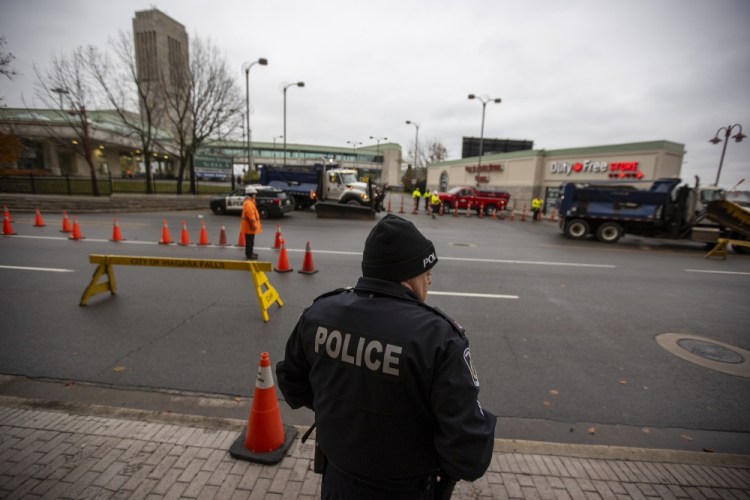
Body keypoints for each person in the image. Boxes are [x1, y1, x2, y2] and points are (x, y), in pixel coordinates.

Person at [276, 214, 496, 500]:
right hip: (406, 489)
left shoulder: (319, 315)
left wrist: (342, 411)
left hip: (337, 481)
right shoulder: (439, 339)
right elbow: (469, 455)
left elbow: (292, 384)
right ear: (405, 274)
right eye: (425, 272)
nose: (429, 280)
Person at [240, 186, 262, 259]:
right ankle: (249, 255)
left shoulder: (249, 202)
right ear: (251, 194)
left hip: (248, 226)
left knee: (250, 241)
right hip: (249, 226)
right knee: (250, 241)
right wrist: (254, 225)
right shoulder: (249, 204)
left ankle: (250, 253)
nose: (255, 195)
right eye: (254, 194)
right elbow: (251, 216)